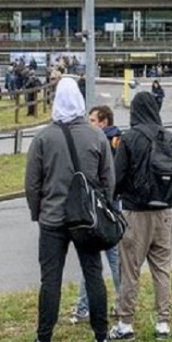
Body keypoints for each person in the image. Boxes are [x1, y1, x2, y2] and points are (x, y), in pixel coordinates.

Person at [22, 77, 115, 342]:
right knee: (93, 275)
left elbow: (32, 183)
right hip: (86, 218)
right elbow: (108, 179)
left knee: (50, 280)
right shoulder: (96, 136)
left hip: (53, 218)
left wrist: (38, 211)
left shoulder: (43, 138)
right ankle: (101, 338)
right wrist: (103, 207)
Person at [109, 91, 172, 341]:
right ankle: (163, 323)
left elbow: (117, 178)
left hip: (135, 212)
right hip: (163, 212)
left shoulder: (130, 139)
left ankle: (126, 323)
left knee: (130, 269)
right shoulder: (170, 138)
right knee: (162, 269)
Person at [69, 105, 123, 325]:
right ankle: (92, 305)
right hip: (103, 206)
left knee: (107, 258)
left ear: (104, 122)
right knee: (98, 259)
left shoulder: (110, 142)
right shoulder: (108, 140)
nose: (89, 123)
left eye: (92, 120)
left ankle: (109, 303)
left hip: (104, 209)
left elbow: (109, 175)